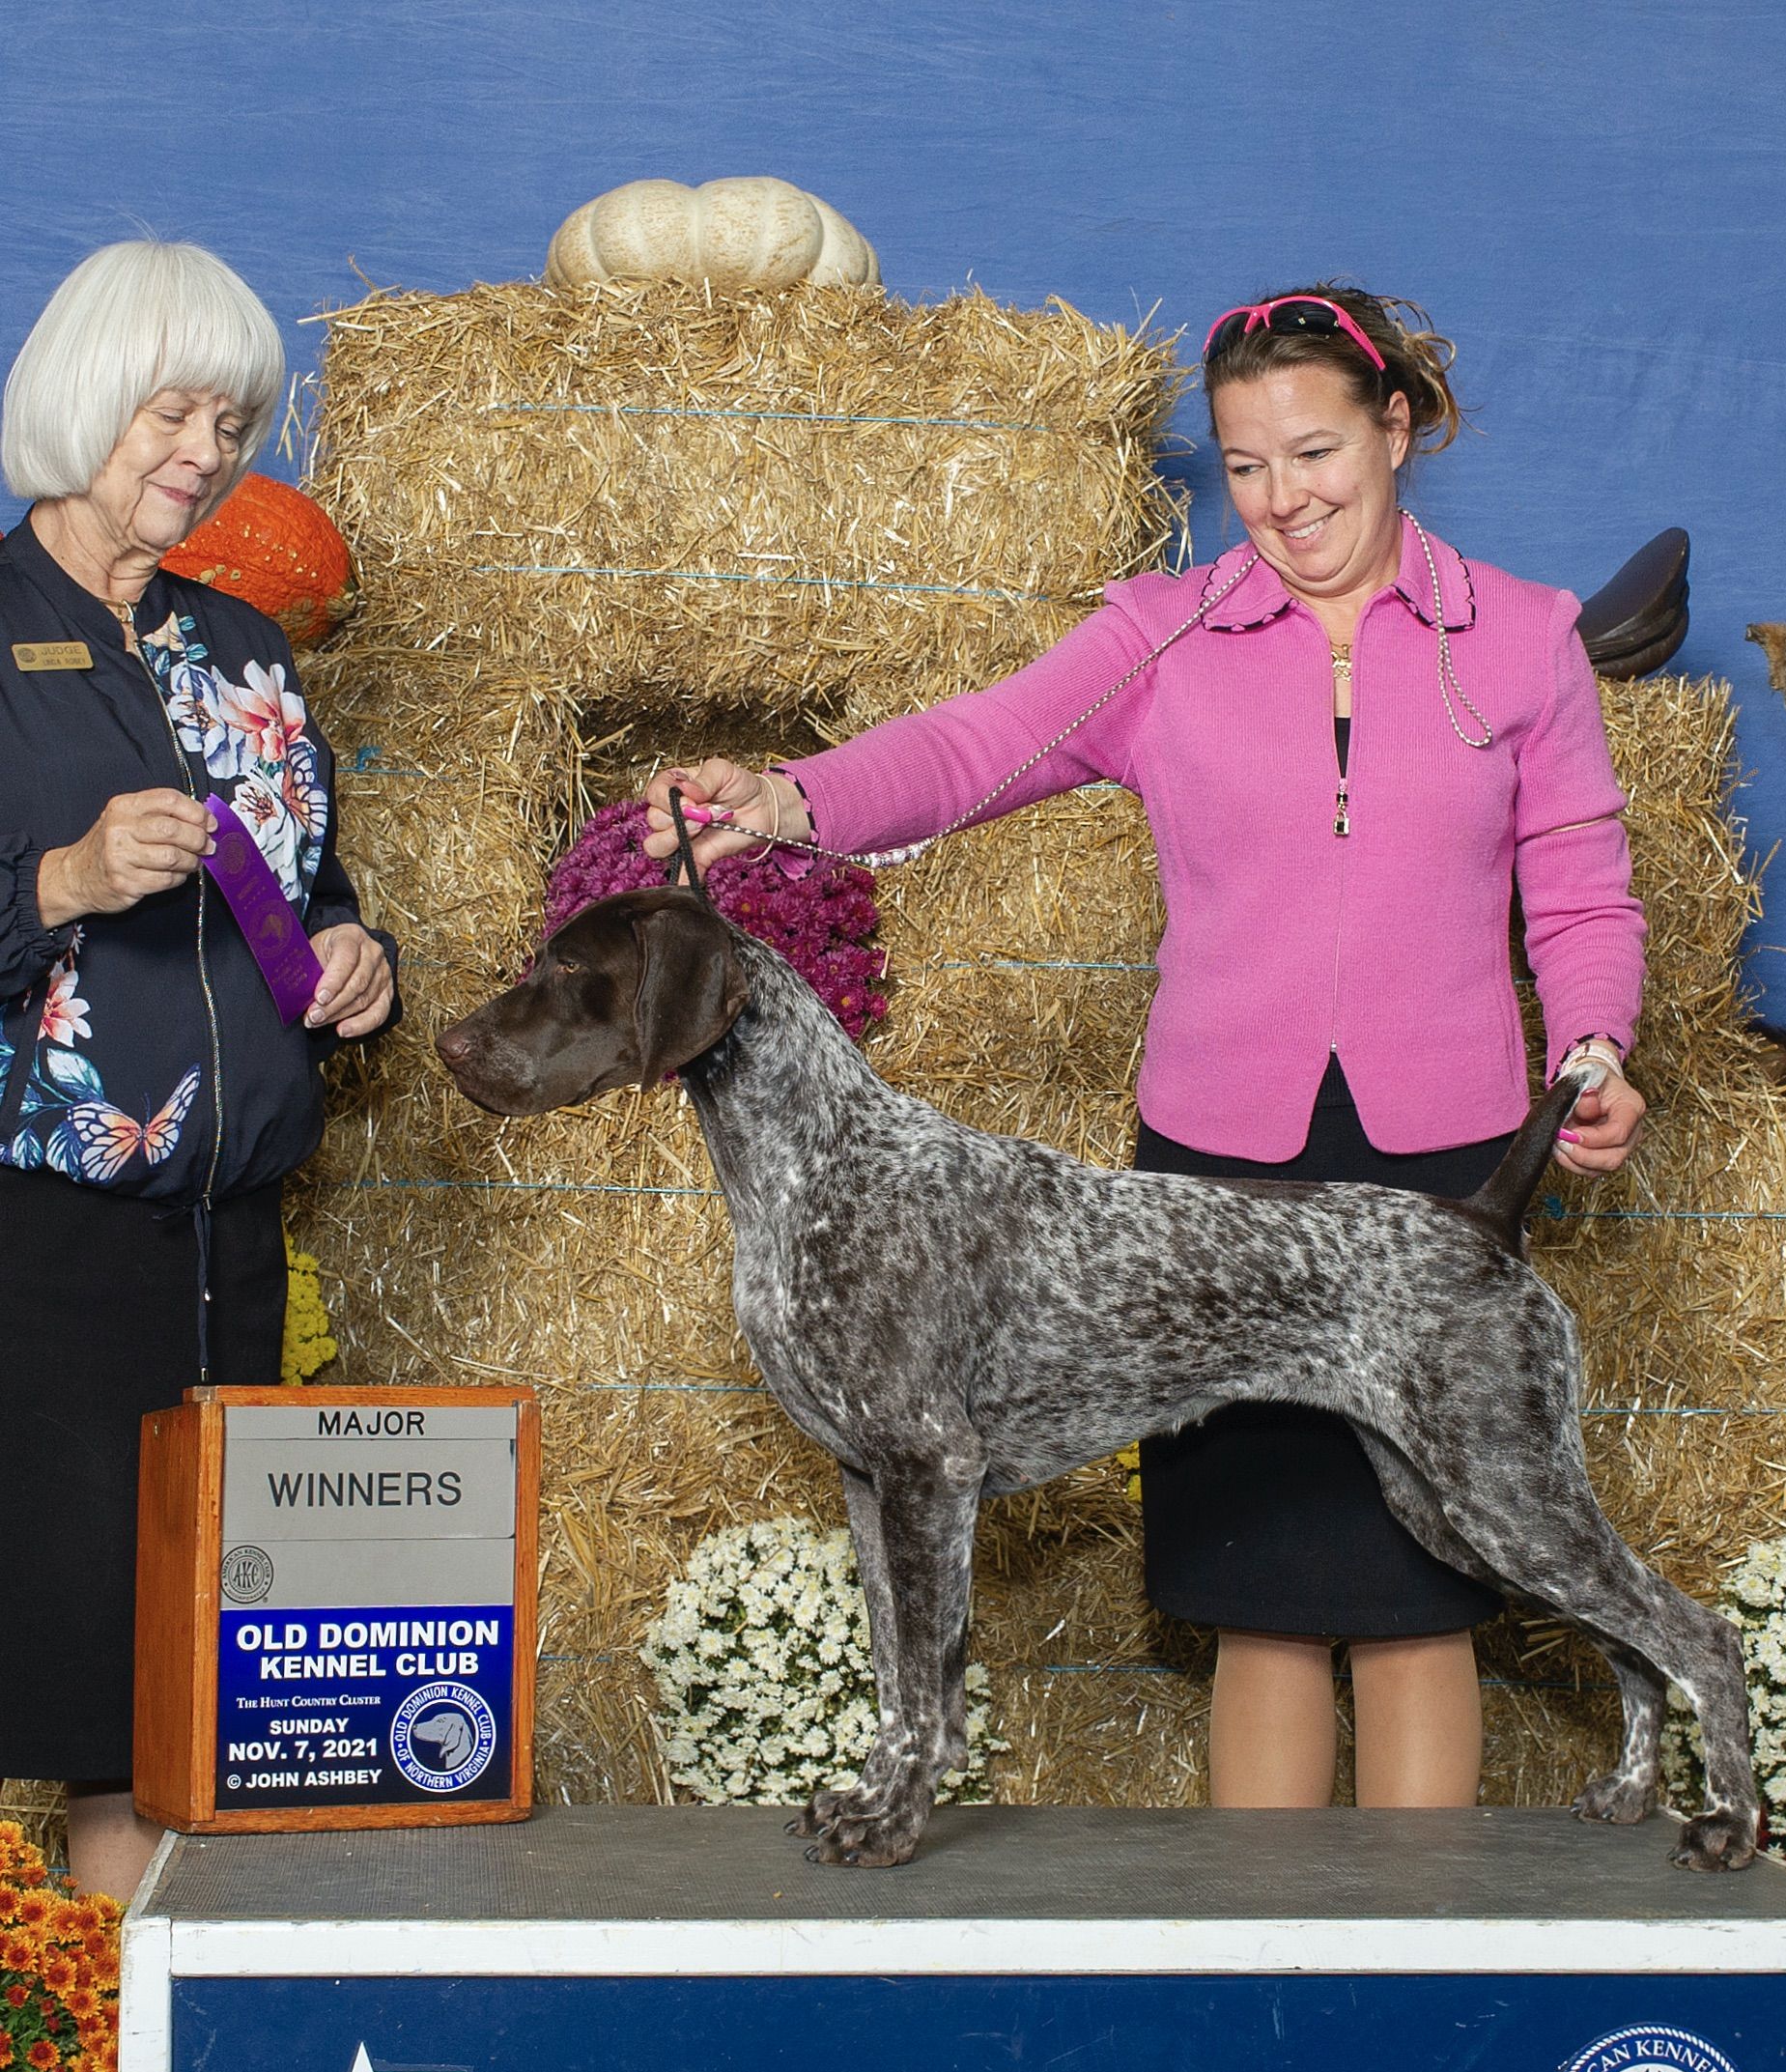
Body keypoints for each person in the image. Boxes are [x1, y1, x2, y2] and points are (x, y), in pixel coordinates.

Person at [641, 284, 1646, 1813]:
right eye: (1243, 467)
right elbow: (975, 746)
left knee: (1418, 1609)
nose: (1281, 499)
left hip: (1437, 1160)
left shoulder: (1516, 641)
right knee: (1259, 1598)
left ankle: (1413, 1963)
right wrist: (793, 797)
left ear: (1395, 431)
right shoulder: (1163, 632)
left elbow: (1577, 877)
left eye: (1312, 453)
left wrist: (1594, 1046)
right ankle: (1259, 1979)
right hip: (1209, 1177)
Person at [0, 241, 397, 1897]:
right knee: (88, 1676)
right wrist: (61, 884)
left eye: (230, 420)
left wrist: (363, 960)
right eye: (172, 409)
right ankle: (77, 2063)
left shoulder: (244, 646)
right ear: (85, 398)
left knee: (189, 1691)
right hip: (48, 1230)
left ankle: (143, 2057)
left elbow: (307, 894)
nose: (204, 448)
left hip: (229, 1229)